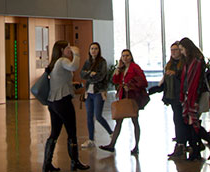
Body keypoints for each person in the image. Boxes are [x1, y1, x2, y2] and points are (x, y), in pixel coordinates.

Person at [44, 40, 89, 172]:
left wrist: (72, 84)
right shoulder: (62, 61)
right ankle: (75, 162)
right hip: (62, 101)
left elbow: (61, 80)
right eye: (68, 47)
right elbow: (74, 67)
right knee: (72, 132)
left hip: (53, 102)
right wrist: (77, 54)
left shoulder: (54, 63)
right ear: (62, 50)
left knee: (54, 133)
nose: (70, 49)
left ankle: (47, 164)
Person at [99, 49, 147, 155]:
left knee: (135, 121)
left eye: (127, 55)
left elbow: (143, 81)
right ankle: (112, 144)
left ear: (131, 56)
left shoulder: (135, 67)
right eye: (123, 56)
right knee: (119, 121)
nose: (125, 58)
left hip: (133, 97)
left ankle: (136, 146)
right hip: (123, 96)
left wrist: (130, 86)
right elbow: (115, 81)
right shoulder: (122, 68)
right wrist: (117, 71)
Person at [179, 37, 210, 161]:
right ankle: (205, 147)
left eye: (181, 49)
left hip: (197, 96)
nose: (181, 52)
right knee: (193, 123)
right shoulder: (190, 60)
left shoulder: (196, 61)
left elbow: (196, 81)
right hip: (192, 96)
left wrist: (193, 99)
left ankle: (198, 150)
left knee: (193, 123)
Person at [150, 41, 189, 158]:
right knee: (178, 120)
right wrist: (157, 89)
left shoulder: (184, 64)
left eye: (176, 50)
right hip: (172, 97)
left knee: (181, 120)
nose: (173, 52)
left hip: (182, 96)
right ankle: (182, 143)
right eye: (172, 50)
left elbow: (185, 78)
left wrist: (176, 74)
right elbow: (166, 81)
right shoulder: (170, 64)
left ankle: (182, 144)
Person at [79, 42, 114, 148]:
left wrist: (88, 74)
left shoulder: (102, 62)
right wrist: (90, 73)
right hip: (88, 93)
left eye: (96, 48)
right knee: (89, 116)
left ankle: (111, 133)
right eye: (92, 48)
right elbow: (82, 74)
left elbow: (101, 76)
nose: (93, 50)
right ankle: (91, 140)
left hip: (98, 92)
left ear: (99, 50)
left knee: (98, 116)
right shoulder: (87, 61)